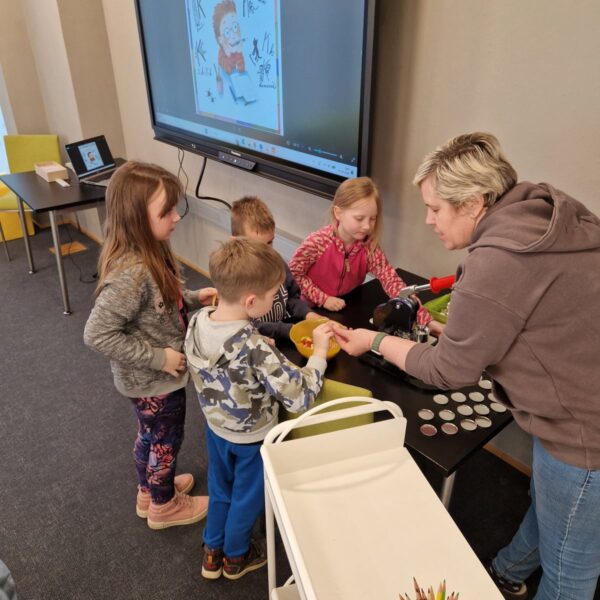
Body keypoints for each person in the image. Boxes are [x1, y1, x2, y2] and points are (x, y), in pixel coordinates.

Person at [332, 133, 600, 599]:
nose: (428, 220)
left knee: (569, 573)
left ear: (475, 203)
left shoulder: (497, 262)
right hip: (574, 399)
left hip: (583, 433)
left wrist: (374, 340)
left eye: (436, 209)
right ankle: (509, 570)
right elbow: (524, 318)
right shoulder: (542, 213)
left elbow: (448, 372)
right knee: (551, 511)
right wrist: (453, 332)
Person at [184, 238, 333, 580]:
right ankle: (237, 556)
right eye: (272, 295)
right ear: (251, 302)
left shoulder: (197, 320)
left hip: (216, 428)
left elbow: (226, 352)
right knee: (247, 497)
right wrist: (319, 355)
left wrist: (254, 341)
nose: (275, 299)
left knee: (220, 489)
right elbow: (299, 396)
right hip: (252, 439)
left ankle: (212, 551)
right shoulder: (254, 348)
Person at [84, 161, 214, 530]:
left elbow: (159, 304)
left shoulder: (152, 251)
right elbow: (96, 334)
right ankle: (164, 506)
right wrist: (159, 358)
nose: (176, 217)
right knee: (165, 441)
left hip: (148, 380)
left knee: (150, 435)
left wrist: (193, 298)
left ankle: (149, 491)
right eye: (166, 211)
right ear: (137, 218)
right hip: (154, 380)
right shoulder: (133, 272)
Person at [289, 176, 431, 327]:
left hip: (345, 307)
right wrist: (323, 299)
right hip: (308, 311)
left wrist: (426, 320)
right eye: (359, 218)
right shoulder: (317, 242)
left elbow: (391, 280)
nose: (367, 226)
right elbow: (293, 274)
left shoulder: (369, 247)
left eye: (372, 219)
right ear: (338, 213)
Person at [230, 195, 321, 340]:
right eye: (257, 246)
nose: (266, 251)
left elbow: (292, 298)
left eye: (269, 242)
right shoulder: (236, 277)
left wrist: (307, 314)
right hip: (257, 343)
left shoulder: (277, 262)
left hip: (284, 336)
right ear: (235, 242)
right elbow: (249, 325)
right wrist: (291, 330)